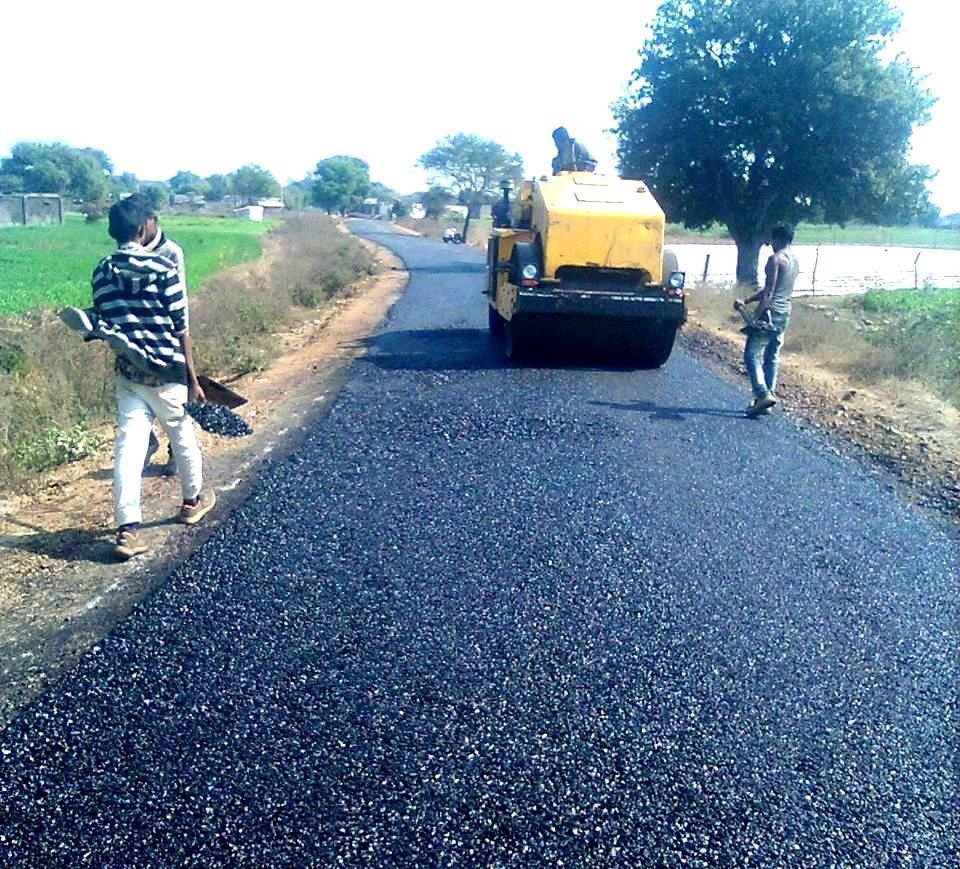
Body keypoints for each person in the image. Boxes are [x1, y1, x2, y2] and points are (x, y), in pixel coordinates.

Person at [83, 196, 214, 558]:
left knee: (129, 447)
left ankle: (128, 529)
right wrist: (193, 379)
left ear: (113, 231)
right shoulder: (163, 268)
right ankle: (191, 503)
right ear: (143, 228)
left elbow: (106, 321)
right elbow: (181, 328)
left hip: (129, 374)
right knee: (182, 436)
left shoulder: (102, 271)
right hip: (167, 372)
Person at [734, 225, 800, 418]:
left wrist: (755, 316)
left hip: (770, 313)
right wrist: (747, 300)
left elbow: (769, 293)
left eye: (772, 240)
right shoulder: (794, 261)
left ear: (778, 238)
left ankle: (762, 394)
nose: (771, 244)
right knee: (771, 355)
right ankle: (767, 400)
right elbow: (774, 289)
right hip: (784, 313)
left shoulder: (775, 260)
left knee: (751, 354)